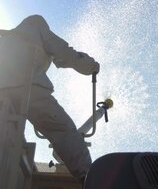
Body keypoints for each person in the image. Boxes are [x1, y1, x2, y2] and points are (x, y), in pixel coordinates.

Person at [0, 15, 99, 180]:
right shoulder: (37, 26)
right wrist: (92, 66)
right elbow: (64, 53)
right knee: (61, 129)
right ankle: (89, 178)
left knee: (13, 133)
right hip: (27, 84)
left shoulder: (6, 37)